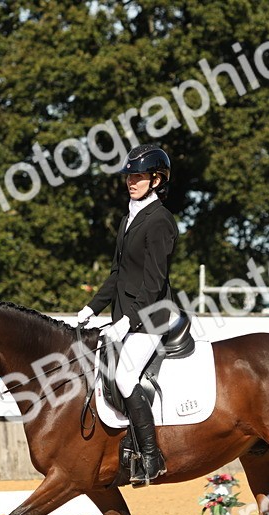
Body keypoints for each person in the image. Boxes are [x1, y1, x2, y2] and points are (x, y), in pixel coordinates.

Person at [76, 144, 178, 485]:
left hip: (153, 317)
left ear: (156, 179)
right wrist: (92, 308)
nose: (130, 181)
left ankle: (151, 456)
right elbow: (118, 273)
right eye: (129, 176)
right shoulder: (128, 219)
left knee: (124, 378)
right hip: (127, 316)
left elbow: (154, 283)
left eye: (137, 176)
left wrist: (125, 322)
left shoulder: (160, 220)